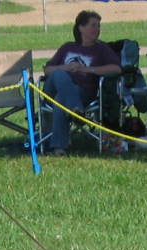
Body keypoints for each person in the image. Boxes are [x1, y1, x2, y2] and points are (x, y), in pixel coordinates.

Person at [42, 10, 121, 156]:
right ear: (81, 28)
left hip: (83, 92)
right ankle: (76, 109)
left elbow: (116, 68)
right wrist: (66, 68)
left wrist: (86, 69)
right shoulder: (67, 47)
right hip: (53, 89)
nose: (97, 29)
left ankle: (59, 147)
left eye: (98, 26)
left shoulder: (101, 49)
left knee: (62, 98)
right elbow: (48, 70)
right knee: (59, 74)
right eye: (93, 25)